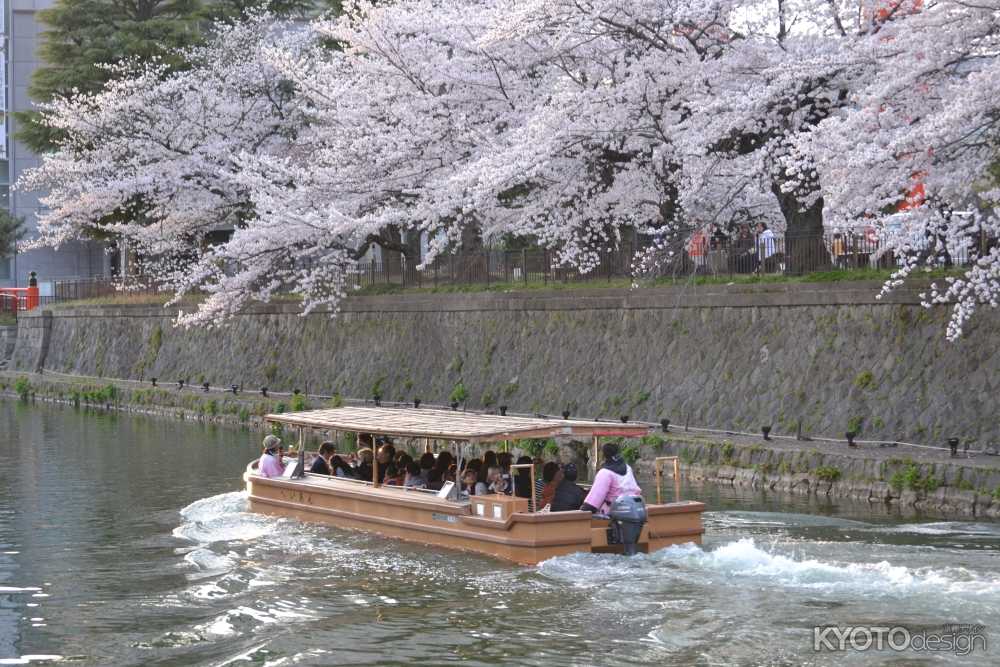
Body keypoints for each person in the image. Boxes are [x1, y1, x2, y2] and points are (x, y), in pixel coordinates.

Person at [581, 443, 642, 514]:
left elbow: (592, 504)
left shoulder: (605, 473)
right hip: (635, 509)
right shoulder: (628, 468)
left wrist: (581, 512)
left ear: (603, 456)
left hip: (614, 515)